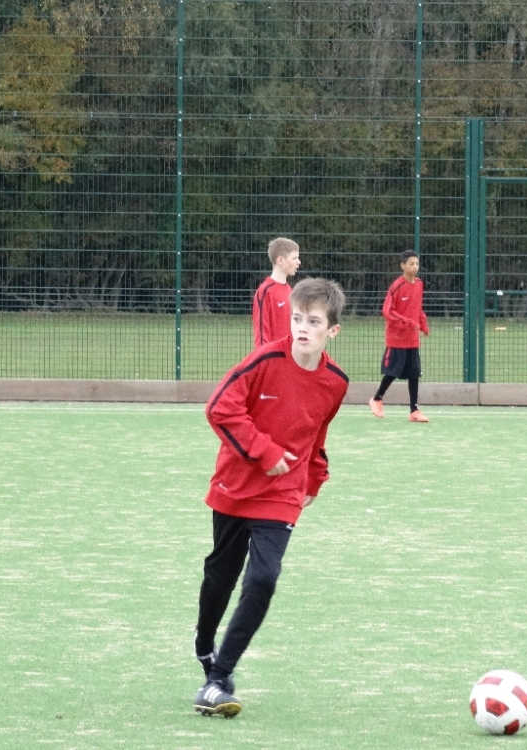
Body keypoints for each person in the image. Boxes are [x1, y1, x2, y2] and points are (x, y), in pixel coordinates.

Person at [193, 277, 349, 718]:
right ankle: (204, 645)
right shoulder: (262, 360)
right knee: (221, 576)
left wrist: (314, 479)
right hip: (236, 485)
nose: (302, 328)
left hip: (283, 492)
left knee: (262, 578)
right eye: (297, 318)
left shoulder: (336, 382)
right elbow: (219, 408)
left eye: (313, 321)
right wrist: (264, 451)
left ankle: (218, 677)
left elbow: (317, 431)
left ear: (332, 330)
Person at [368, 250, 431, 422]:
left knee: (414, 374)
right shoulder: (397, 286)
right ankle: (376, 399)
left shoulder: (419, 284)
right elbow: (387, 311)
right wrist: (406, 322)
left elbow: (418, 308)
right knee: (392, 372)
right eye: (411, 264)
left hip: (412, 339)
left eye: (417, 264)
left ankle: (414, 411)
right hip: (396, 338)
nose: (415, 267)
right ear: (402, 266)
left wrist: (423, 324)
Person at [252, 237, 302, 349]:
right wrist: (265, 357)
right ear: (280, 260)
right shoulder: (265, 291)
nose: (298, 262)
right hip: (274, 356)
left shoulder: (291, 291)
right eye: (294, 258)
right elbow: (261, 333)